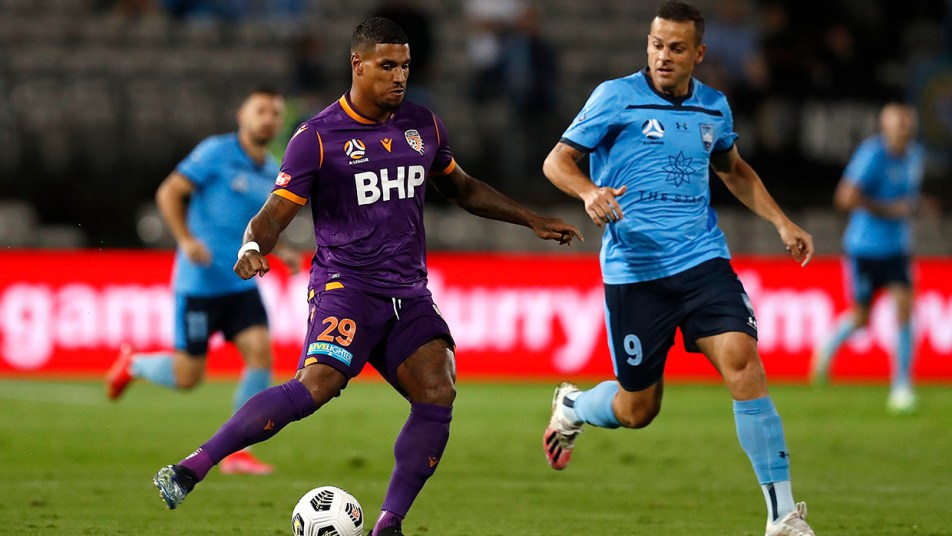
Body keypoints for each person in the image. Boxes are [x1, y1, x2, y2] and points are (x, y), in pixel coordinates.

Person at [151, 17, 582, 536]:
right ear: (358, 65)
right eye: (387, 65)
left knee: (438, 391)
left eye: (405, 65)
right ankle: (192, 467)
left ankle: (388, 524)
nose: (399, 76)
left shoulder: (424, 125)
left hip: (407, 294)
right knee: (317, 386)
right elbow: (274, 212)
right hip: (346, 289)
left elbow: (462, 188)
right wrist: (250, 244)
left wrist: (530, 217)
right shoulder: (317, 137)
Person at [539, 3, 817, 536]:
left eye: (676, 48)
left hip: (701, 259)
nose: (663, 56)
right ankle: (574, 404)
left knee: (744, 361)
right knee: (639, 408)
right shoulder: (614, 96)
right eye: (656, 44)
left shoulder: (714, 107)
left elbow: (733, 170)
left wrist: (783, 222)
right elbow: (557, 161)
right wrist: (589, 192)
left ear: (699, 54)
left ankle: (782, 516)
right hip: (634, 270)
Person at [107, 87, 298, 475]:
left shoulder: (272, 170)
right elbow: (169, 192)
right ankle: (134, 364)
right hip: (199, 284)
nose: (269, 119)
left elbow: (260, 228)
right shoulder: (215, 152)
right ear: (242, 115)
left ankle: (237, 452)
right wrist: (185, 239)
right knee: (188, 377)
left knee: (260, 352)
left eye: (275, 113)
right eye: (261, 110)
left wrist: (282, 251)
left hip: (240, 284)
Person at [811, 103, 924, 414]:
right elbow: (844, 197)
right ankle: (828, 348)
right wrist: (889, 209)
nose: (904, 129)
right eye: (898, 123)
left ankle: (902, 385)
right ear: (886, 127)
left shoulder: (915, 155)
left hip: (897, 248)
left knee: (905, 309)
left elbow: (908, 198)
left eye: (907, 123)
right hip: (865, 248)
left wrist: (915, 207)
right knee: (862, 317)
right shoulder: (872, 154)